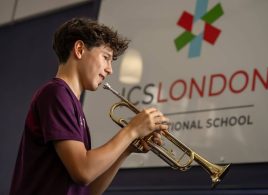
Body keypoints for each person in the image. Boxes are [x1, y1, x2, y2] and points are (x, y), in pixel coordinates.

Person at [9, 17, 169, 195]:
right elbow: (83, 172)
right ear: (79, 49)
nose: (110, 69)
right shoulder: (55, 93)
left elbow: (89, 189)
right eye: (106, 57)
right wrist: (131, 130)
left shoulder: (70, 102)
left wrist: (128, 147)